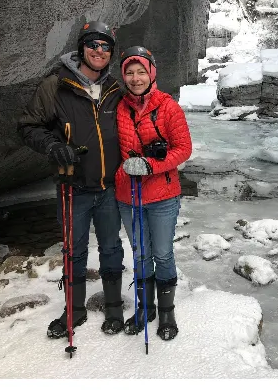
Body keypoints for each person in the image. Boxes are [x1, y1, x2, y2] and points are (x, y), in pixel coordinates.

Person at [19, 21, 128, 337]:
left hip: (108, 189)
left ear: (111, 53)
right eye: (93, 44)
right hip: (72, 188)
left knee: (111, 249)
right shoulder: (55, 85)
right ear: (82, 48)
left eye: (105, 46)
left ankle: (113, 309)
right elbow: (28, 127)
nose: (99, 51)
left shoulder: (115, 90)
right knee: (73, 251)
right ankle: (74, 311)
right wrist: (53, 146)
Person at [114, 46, 192, 341]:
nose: (136, 78)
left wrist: (150, 165)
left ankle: (167, 311)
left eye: (141, 71)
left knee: (162, 253)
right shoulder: (119, 107)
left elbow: (183, 148)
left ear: (152, 73)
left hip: (162, 196)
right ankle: (145, 308)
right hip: (128, 196)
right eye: (130, 73)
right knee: (141, 253)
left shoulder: (168, 107)